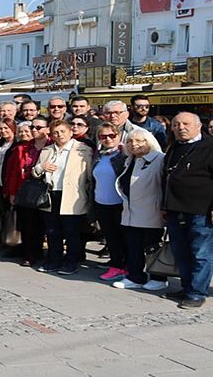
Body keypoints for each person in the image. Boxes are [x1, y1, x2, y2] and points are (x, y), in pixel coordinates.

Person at [162, 112, 213, 308]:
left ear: (199, 126)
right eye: (176, 124)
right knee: (180, 252)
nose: (181, 127)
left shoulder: (209, 146)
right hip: (175, 209)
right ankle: (186, 286)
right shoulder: (174, 147)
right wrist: (163, 205)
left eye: (185, 124)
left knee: (201, 253)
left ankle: (197, 292)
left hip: (201, 210)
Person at [33, 119, 93, 275]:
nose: (59, 135)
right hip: (51, 195)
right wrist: (41, 167)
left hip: (72, 196)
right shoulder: (47, 151)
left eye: (62, 131)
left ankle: (71, 262)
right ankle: (54, 260)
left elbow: (90, 176)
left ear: (70, 132)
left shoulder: (82, 150)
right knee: (52, 231)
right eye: (55, 133)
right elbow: (35, 173)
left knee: (71, 231)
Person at [112, 128, 168, 291]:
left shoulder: (159, 159)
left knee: (152, 247)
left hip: (152, 211)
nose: (134, 144)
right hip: (131, 211)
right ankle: (135, 276)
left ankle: (159, 277)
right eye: (130, 141)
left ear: (148, 141)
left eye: (139, 141)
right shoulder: (130, 160)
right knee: (133, 245)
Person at [3, 119, 48, 267]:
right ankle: (30, 254)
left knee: (45, 224)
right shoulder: (23, 148)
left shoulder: (52, 146)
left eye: (38, 127)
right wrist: (11, 192)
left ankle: (42, 251)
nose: (34, 130)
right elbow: (13, 172)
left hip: (46, 190)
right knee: (28, 224)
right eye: (32, 127)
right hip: (26, 190)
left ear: (47, 129)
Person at [91, 123, 128, 282]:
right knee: (111, 237)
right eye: (103, 136)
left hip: (119, 203)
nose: (107, 139)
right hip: (101, 203)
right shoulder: (99, 155)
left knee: (123, 237)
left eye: (111, 135)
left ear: (118, 135)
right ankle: (116, 264)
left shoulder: (124, 154)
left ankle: (124, 267)